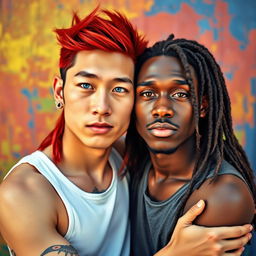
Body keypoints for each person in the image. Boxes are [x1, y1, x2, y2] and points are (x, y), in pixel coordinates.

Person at [0, 9, 252, 256]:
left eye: (119, 89)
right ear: (59, 91)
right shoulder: (23, 194)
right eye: (86, 85)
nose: (101, 108)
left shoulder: (129, 155)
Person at [125, 34, 256, 256]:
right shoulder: (132, 163)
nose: (162, 108)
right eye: (147, 93)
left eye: (179, 94)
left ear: (203, 106)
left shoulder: (222, 195)